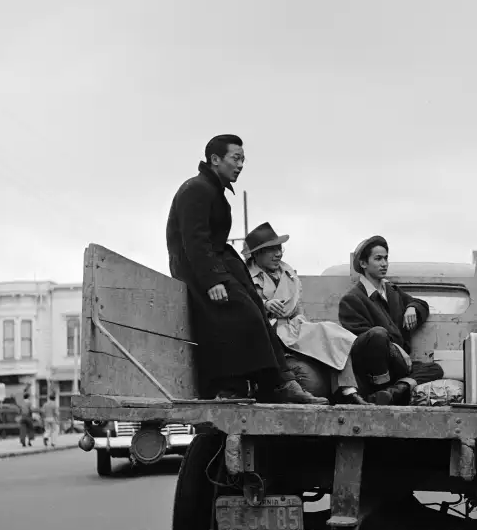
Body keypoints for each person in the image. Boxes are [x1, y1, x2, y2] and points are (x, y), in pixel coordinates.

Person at [165, 134, 327, 404]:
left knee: (257, 312)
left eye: (243, 159)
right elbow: (194, 240)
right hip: (196, 268)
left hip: (215, 261)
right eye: (235, 158)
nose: (240, 165)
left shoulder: (212, 189)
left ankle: (279, 382)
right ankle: (241, 385)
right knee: (246, 315)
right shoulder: (197, 189)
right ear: (215, 160)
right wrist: (212, 280)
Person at [243, 222, 370, 405]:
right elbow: (243, 306)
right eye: (271, 250)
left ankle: (348, 390)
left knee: (332, 333)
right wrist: (265, 305)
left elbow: (298, 309)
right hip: (267, 335)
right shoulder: (246, 276)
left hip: (293, 328)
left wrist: (302, 325)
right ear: (256, 254)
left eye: (279, 248)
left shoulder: (289, 274)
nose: (278, 253)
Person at [338, 236, 443, 405]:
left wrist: (412, 308)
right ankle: (383, 390)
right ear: (363, 264)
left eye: (386, 258)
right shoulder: (352, 299)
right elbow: (360, 341)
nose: (384, 263)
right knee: (378, 334)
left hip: (397, 365)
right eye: (378, 259)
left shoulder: (392, 291)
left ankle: (394, 391)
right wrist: (396, 347)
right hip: (371, 370)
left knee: (435, 369)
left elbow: (422, 304)